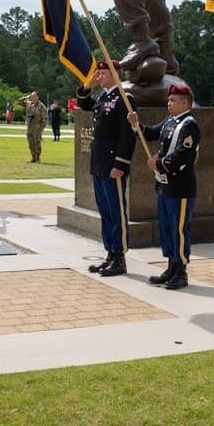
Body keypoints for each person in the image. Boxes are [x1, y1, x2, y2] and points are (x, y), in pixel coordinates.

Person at [128, 83, 199, 289]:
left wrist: (158, 164)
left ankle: (181, 271)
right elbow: (150, 133)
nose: (168, 103)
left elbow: (182, 154)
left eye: (173, 100)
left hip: (181, 187)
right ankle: (170, 266)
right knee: (166, 228)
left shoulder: (189, 125)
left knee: (179, 229)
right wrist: (136, 124)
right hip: (165, 187)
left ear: (185, 102)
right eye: (169, 100)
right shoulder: (170, 121)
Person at [77, 62, 136, 276]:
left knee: (117, 212)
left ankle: (120, 258)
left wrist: (120, 164)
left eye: (102, 72)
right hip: (99, 165)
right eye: (98, 72)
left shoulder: (125, 99)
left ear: (115, 74)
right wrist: (87, 86)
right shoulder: (103, 98)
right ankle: (110, 253)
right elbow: (83, 103)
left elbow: (127, 135)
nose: (99, 75)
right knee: (105, 212)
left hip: (113, 165)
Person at [24, 90, 46, 163]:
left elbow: (44, 119)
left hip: (37, 127)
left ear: (37, 97)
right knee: (30, 143)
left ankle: (37, 158)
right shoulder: (29, 104)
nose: (32, 97)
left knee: (37, 143)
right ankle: (33, 157)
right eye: (31, 96)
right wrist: (27, 97)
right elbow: (19, 101)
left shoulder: (41, 106)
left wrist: (41, 128)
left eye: (34, 96)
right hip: (29, 126)